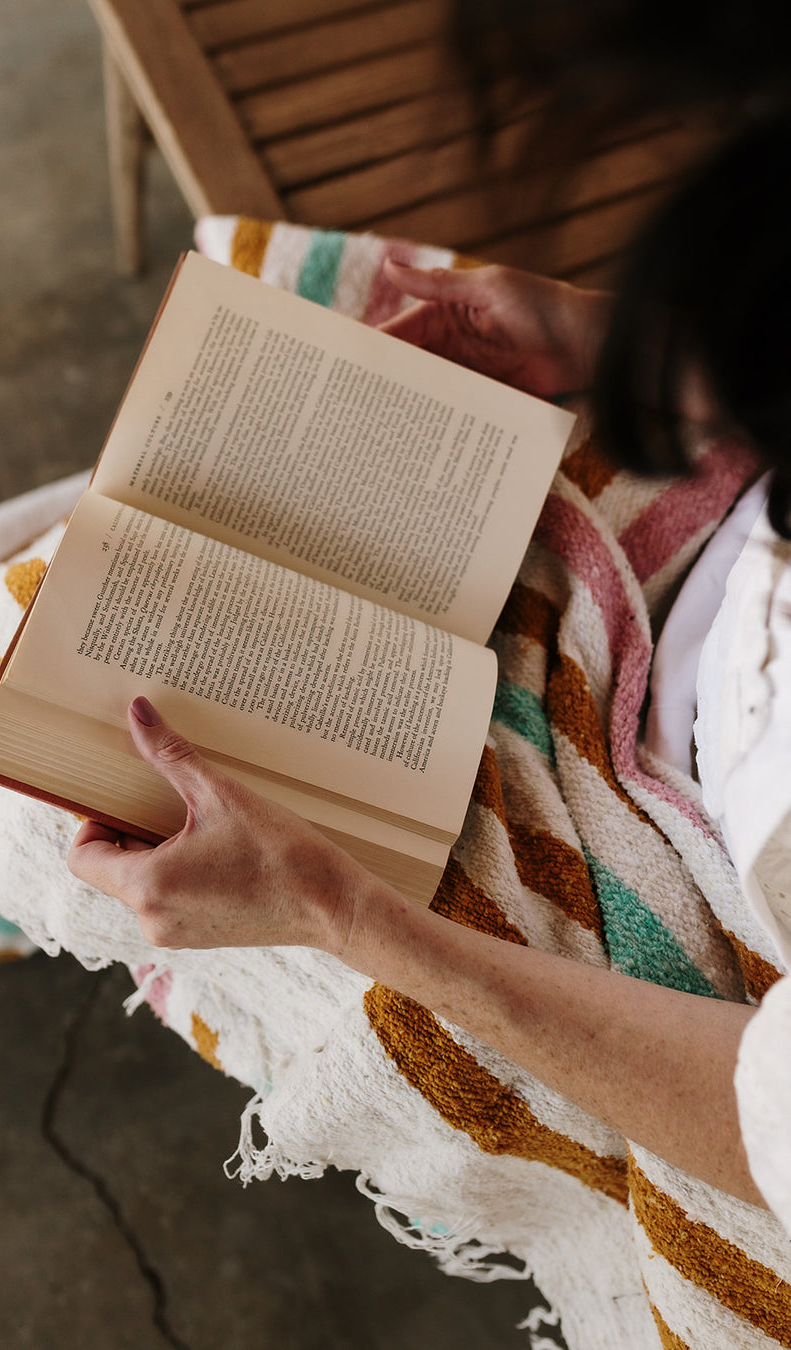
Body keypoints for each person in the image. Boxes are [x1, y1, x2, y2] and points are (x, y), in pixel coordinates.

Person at [65, 2, 791, 1216]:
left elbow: (767, 1123)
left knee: (20, 753)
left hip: (682, 925)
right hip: (696, 572)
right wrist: (622, 344)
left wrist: (332, 907)